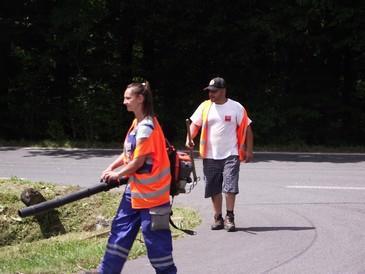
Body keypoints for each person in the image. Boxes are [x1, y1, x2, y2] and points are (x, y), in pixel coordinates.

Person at [98, 81, 177, 274]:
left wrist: (117, 174)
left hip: (153, 198)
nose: (124, 102)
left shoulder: (147, 127)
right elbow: (129, 155)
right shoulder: (137, 123)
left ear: (140, 99)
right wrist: (112, 167)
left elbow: (138, 162)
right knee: (119, 235)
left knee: (156, 245)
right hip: (134, 193)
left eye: (128, 98)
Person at [186, 77, 253, 232]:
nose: (211, 94)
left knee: (230, 186)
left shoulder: (236, 107)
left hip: (231, 153)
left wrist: (249, 150)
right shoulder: (205, 107)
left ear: (223, 91)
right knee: (213, 187)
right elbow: (194, 125)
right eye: (209, 91)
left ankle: (230, 217)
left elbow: (247, 128)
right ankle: (218, 217)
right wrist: (188, 139)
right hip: (209, 155)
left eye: (214, 91)